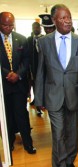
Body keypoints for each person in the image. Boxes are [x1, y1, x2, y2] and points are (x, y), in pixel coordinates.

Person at [34, 4, 78, 167]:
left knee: (72, 134)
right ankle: (60, 164)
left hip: (75, 96)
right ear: (54, 20)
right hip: (53, 96)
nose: (67, 21)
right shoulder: (44, 42)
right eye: (63, 18)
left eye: (69, 17)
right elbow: (40, 72)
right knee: (58, 133)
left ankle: (69, 161)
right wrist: (38, 98)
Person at [0, 12, 36, 156]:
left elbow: (27, 60)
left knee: (21, 114)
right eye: (5, 25)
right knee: (6, 115)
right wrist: (6, 74)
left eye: (11, 25)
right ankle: (9, 143)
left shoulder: (21, 39)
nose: (8, 28)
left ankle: (28, 143)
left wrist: (18, 74)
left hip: (19, 84)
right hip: (3, 85)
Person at [27, 22, 43, 115]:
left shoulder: (45, 38)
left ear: (40, 28)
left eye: (37, 27)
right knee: (35, 87)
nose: (36, 29)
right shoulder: (29, 40)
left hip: (43, 68)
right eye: (34, 27)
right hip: (33, 69)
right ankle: (38, 106)